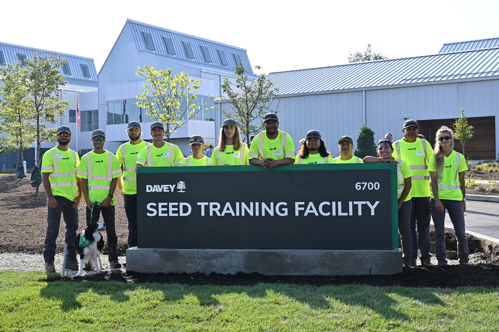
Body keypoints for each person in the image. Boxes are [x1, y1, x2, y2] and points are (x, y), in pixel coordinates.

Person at [77, 129, 123, 268]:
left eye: (101, 139)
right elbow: (83, 180)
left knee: (111, 232)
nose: (98, 141)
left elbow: (115, 179)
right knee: (89, 234)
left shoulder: (111, 157)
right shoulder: (86, 158)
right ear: (92, 140)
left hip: (108, 202)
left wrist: (109, 196)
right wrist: (87, 199)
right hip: (91, 203)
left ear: (104, 140)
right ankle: (89, 262)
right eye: (95, 139)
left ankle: (113, 260)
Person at [363, 139, 413, 267]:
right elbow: (365, 159)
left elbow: (408, 184)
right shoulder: (377, 162)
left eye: (386, 147)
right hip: (384, 202)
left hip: (403, 201)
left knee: (405, 231)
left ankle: (408, 261)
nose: (383, 150)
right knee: (385, 230)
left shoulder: (401, 163)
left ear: (392, 150)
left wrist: (400, 202)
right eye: (380, 148)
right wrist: (382, 160)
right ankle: (385, 261)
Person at [392, 119, 434, 266]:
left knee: (424, 227)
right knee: (408, 230)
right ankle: (411, 258)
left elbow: (433, 164)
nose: (411, 131)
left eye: (414, 129)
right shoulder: (395, 146)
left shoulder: (424, 144)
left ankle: (426, 258)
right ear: (403, 131)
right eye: (408, 129)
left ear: (418, 130)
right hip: (405, 196)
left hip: (423, 193)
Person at [41, 125, 82, 272]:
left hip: (72, 199)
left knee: (72, 230)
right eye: (61, 134)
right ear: (57, 137)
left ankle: (71, 260)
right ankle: (49, 262)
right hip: (56, 199)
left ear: (70, 137)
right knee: (53, 230)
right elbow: (45, 177)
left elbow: (78, 178)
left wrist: (79, 197)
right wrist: (50, 197)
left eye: (66, 134)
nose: (63, 136)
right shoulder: (49, 154)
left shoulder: (74, 155)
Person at [428, 126, 469, 265]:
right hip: (438, 200)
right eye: (441, 138)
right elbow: (432, 181)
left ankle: (464, 259)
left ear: (451, 139)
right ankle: (441, 260)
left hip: (456, 199)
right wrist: (437, 201)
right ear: (438, 141)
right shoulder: (435, 158)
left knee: (461, 232)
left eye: (447, 137)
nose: (444, 140)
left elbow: (462, 180)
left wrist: (463, 199)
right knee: (439, 232)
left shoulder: (459, 157)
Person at [116, 121, 149, 248]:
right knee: (132, 223)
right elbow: (116, 171)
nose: (133, 132)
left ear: (141, 131)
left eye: (136, 129)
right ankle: (133, 248)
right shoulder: (122, 148)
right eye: (131, 130)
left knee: (146, 221)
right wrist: (120, 188)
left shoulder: (148, 147)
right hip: (129, 191)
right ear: (127, 132)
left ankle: (147, 246)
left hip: (145, 190)